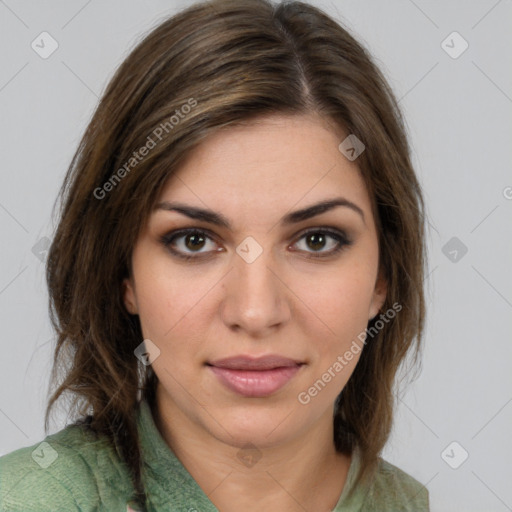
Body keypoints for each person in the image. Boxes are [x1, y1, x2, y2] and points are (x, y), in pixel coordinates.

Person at [0, 0, 430, 510]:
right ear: (124, 275)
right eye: (194, 241)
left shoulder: (407, 502)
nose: (255, 311)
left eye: (317, 240)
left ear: (383, 276)